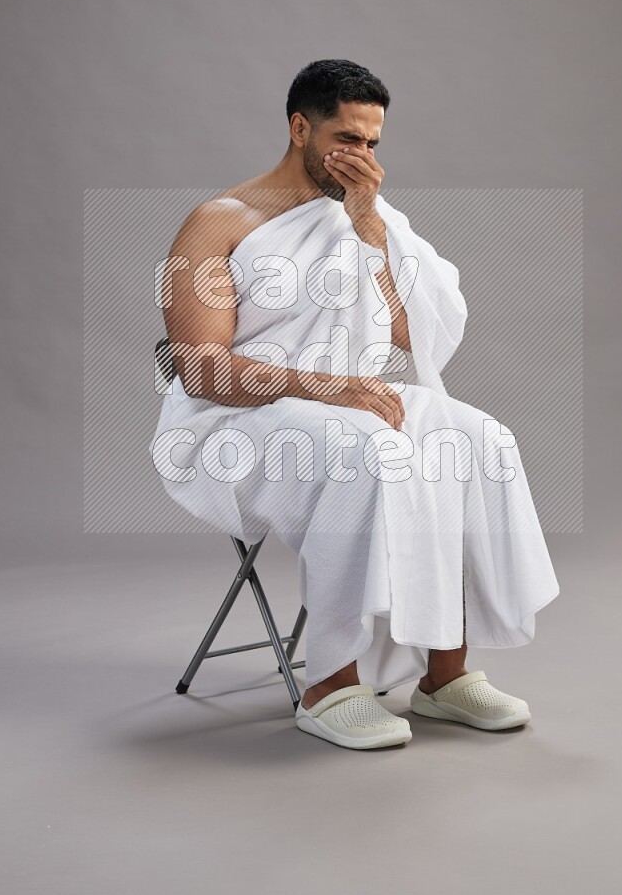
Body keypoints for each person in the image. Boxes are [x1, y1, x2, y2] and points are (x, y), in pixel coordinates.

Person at [150, 58, 560, 751]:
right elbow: (200, 369)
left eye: (372, 143)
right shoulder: (219, 222)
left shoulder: (368, 217)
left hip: (350, 398)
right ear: (299, 127)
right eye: (346, 138)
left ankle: (444, 677)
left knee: (479, 438)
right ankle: (331, 684)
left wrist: (368, 225)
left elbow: (410, 336)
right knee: (365, 452)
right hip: (236, 422)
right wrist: (325, 386)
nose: (360, 156)